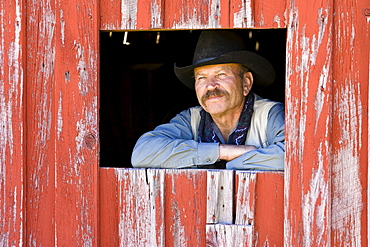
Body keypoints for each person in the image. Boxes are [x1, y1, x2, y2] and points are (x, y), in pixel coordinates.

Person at [131, 30, 284, 170]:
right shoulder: (191, 120)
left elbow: (296, 155)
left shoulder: (270, 115)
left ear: (246, 83)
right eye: (202, 78)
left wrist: (233, 164)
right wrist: (221, 152)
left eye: (221, 75)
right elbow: (142, 153)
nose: (210, 86)